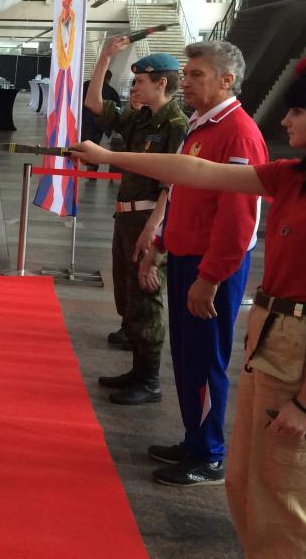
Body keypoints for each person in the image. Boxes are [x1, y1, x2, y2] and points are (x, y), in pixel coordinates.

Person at [72, 55, 306, 557]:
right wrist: (109, 156)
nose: (285, 121)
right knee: (248, 486)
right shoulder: (296, 176)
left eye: (298, 111)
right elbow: (197, 172)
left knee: (289, 499)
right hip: (273, 337)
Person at [136, 40, 269, 486]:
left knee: (206, 359)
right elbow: (181, 191)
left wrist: (210, 277)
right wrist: (161, 241)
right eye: (187, 74)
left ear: (226, 80)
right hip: (187, 257)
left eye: (196, 75)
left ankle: (209, 454)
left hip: (211, 266)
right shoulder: (202, 126)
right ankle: (195, 438)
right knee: (187, 356)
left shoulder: (238, 133)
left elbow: (238, 218)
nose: (185, 83)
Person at [84, 38, 188, 405]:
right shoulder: (141, 118)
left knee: (147, 299)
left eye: (140, 81)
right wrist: (104, 57)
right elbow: (95, 104)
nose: (135, 87)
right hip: (127, 216)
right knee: (128, 292)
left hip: (148, 217)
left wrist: (153, 228)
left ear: (161, 83)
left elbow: (172, 185)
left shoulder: (175, 124)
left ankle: (149, 380)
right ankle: (136, 368)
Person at [81, 68, 121, 145]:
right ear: (109, 79)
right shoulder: (112, 92)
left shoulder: (86, 84)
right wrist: (115, 128)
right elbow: (117, 110)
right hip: (99, 124)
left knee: (81, 143)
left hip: (84, 120)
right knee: (93, 146)